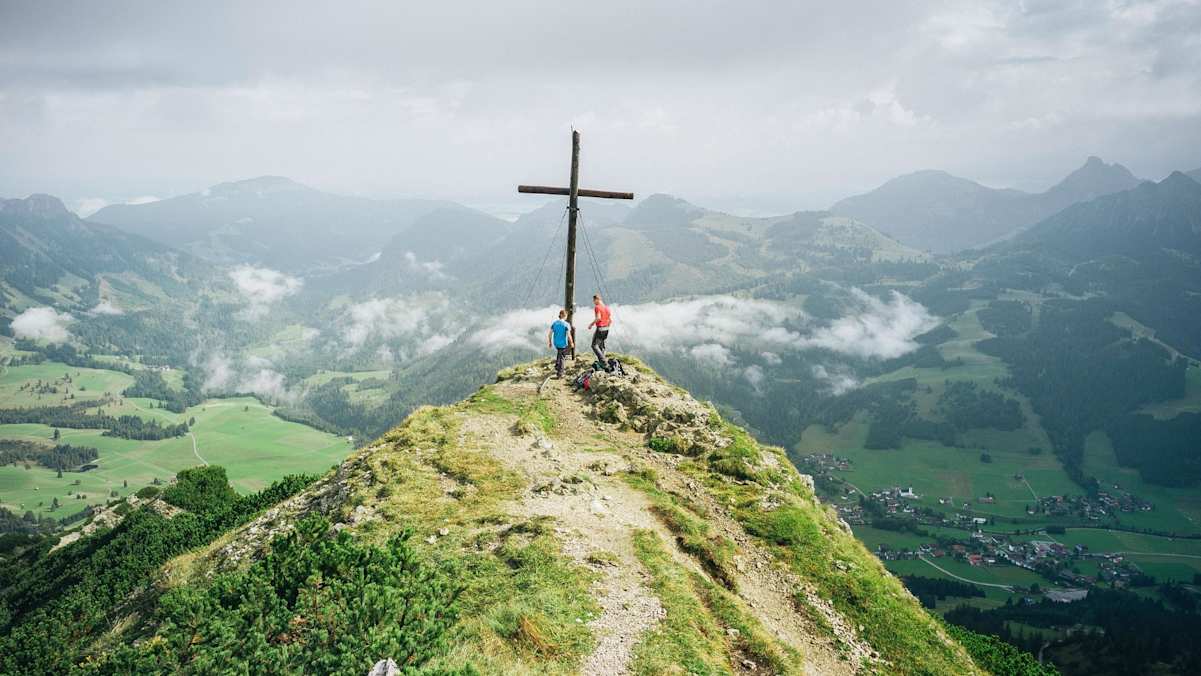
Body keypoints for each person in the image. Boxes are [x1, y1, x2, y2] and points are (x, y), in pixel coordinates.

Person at [547, 309, 574, 378]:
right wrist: (571, 342)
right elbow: (568, 335)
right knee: (562, 358)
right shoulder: (566, 324)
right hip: (563, 344)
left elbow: (550, 334)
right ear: (564, 316)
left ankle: (557, 365)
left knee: (559, 352)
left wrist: (550, 342)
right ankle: (560, 374)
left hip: (556, 343)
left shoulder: (555, 323)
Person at [588, 294, 612, 365]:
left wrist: (591, 324)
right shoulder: (607, 308)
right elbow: (610, 320)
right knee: (601, 345)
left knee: (594, 346)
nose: (594, 303)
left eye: (594, 301)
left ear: (597, 299)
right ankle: (602, 362)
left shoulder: (597, 307)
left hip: (600, 328)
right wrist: (607, 326)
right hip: (606, 328)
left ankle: (603, 362)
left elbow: (598, 318)